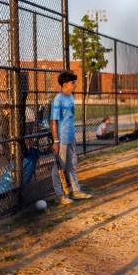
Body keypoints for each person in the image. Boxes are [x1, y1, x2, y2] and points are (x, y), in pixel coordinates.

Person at [50, 70, 93, 205]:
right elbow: (53, 121)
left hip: (71, 136)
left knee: (72, 165)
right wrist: (56, 141)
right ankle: (59, 195)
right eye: (72, 83)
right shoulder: (58, 100)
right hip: (61, 139)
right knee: (59, 167)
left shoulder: (70, 97)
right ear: (64, 84)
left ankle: (75, 191)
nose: (75, 85)